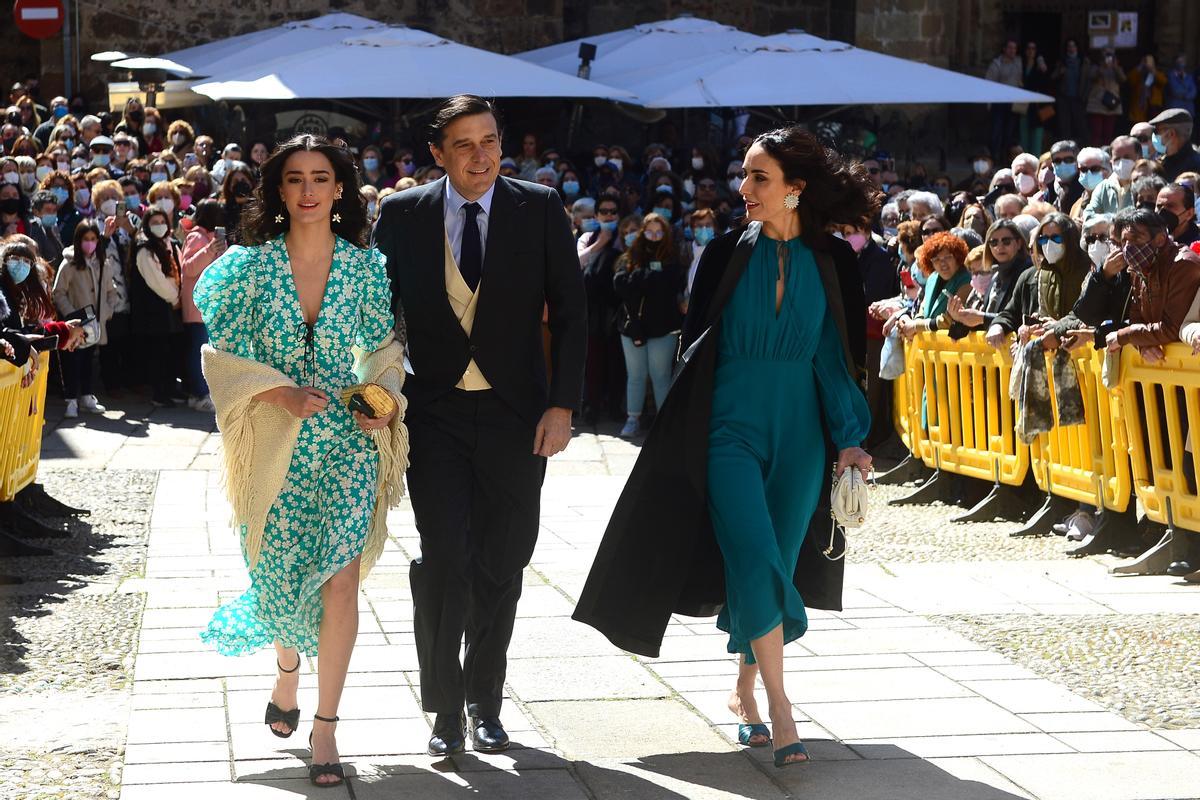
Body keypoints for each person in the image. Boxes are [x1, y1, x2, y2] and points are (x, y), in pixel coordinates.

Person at [574, 125, 875, 768]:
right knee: (756, 552)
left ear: (795, 189)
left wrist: (850, 439)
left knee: (773, 560)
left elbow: (835, 357)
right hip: (727, 429)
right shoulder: (723, 255)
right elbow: (695, 352)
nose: (743, 189)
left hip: (800, 439)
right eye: (744, 176)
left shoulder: (833, 260)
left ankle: (744, 687)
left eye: (757, 178)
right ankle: (782, 706)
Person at [371, 96, 586, 757]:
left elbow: (574, 313)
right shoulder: (402, 215)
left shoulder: (540, 208)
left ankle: (485, 701)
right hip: (433, 418)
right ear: (438, 154)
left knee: (503, 560)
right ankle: (445, 708)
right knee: (445, 561)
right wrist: (373, 399)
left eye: (489, 140)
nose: (480, 155)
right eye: (463, 144)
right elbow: (374, 317)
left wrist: (563, 405)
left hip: (517, 419)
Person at [194, 134, 408, 789]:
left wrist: (382, 401)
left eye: (321, 178)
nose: (309, 190)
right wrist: (279, 391)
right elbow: (222, 359)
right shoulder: (246, 269)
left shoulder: (366, 267)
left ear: (341, 188)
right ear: (279, 191)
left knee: (341, 582)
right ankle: (287, 668)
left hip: (344, 444)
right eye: (296, 179)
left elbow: (380, 353)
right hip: (275, 444)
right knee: (279, 576)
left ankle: (325, 728)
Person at [613, 212, 685, 439]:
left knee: (660, 375)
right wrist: (648, 277)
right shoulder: (630, 256)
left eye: (659, 231)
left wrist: (641, 279)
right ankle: (632, 419)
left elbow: (668, 285)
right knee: (635, 375)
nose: (654, 236)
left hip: (663, 327)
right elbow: (620, 284)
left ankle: (662, 424)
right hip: (633, 326)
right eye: (650, 231)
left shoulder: (672, 258)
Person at [52, 218, 118, 418]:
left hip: (95, 324)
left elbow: (111, 291)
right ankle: (71, 399)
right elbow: (59, 292)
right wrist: (71, 314)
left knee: (89, 360)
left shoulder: (103, 263)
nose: (90, 243)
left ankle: (87, 395)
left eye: (93, 238)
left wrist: (106, 312)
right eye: (85, 239)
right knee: (71, 361)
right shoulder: (69, 263)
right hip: (75, 324)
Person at [130, 207, 184, 406]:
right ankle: (160, 393)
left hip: (173, 307)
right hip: (156, 309)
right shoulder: (145, 249)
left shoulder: (171, 243)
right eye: (154, 222)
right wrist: (174, 297)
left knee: (172, 350)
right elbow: (156, 281)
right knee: (158, 353)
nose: (159, 226)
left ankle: (171, 388)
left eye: (162, 221)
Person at [180, 199, 225, 411]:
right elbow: (188, 268)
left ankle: (200, 392)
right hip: (196, 307)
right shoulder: (196, 237)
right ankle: (198, 394)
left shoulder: (212, 239)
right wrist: (209, 250)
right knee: (196, 354)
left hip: (209, 307)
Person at [1085, 135, 1139, 219]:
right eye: (1117, 159)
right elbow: (1089, 216)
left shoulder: (1146, 186)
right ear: (1111, 162)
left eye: (1127, 157)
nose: (1122, 163)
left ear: (1139, 157)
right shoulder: (1103, 187)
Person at [986, 40, 1023, 159]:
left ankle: (1006, 158)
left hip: (1013, 103)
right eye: (1010, 48)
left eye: (1014, 48)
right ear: (1004, 49)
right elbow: (989, 83)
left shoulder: (1018, 63)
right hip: (999, 102)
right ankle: (993, 157)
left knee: (1010, 133)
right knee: (996, 132)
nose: (1012, 50)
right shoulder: (996, 64)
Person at [1052, 39, 1090, 145]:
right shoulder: (1062, 61)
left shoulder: (1083, 61)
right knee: (1064, 125)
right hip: (1064, 98)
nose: (1071, 48)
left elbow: (1088, 80)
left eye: (1073, 46)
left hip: (1079, 98)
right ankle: (1065, 147)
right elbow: (1053, 77)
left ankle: (1083, 147)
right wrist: (1060, 72)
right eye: (1069, 46)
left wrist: (1085, 96)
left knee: (1080, 125)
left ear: (1077, 48)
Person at [1087, 48, 1126, 147]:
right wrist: (1102, 67)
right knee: (1096, 133)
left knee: (1108, 133)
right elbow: (1092, 77)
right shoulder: (1096, 67)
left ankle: (1106, 153)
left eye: (1111, 54)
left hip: (1111, 103)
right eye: (1106, 54)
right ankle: (1094, 153)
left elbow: (1123, 79)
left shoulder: (1116, 68)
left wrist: (1115, 67)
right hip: (1097, 103)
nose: (1108, 57)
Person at [1148, 108, 1200, 181]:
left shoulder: (1195, 166)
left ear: (1171, 134)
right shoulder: (1161, 162)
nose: (1154, 135)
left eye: (1156, 131)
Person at [1128, 54, 1167, 124]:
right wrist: (1140, 66)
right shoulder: (1138, 73)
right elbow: (1130, 80)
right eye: (1145, 61)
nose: (1147, 64)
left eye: (1149, 61)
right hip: (1140, 105)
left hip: (1153, 105)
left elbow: (1163, 82)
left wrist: (1153, 71)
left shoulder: (1157, 73)